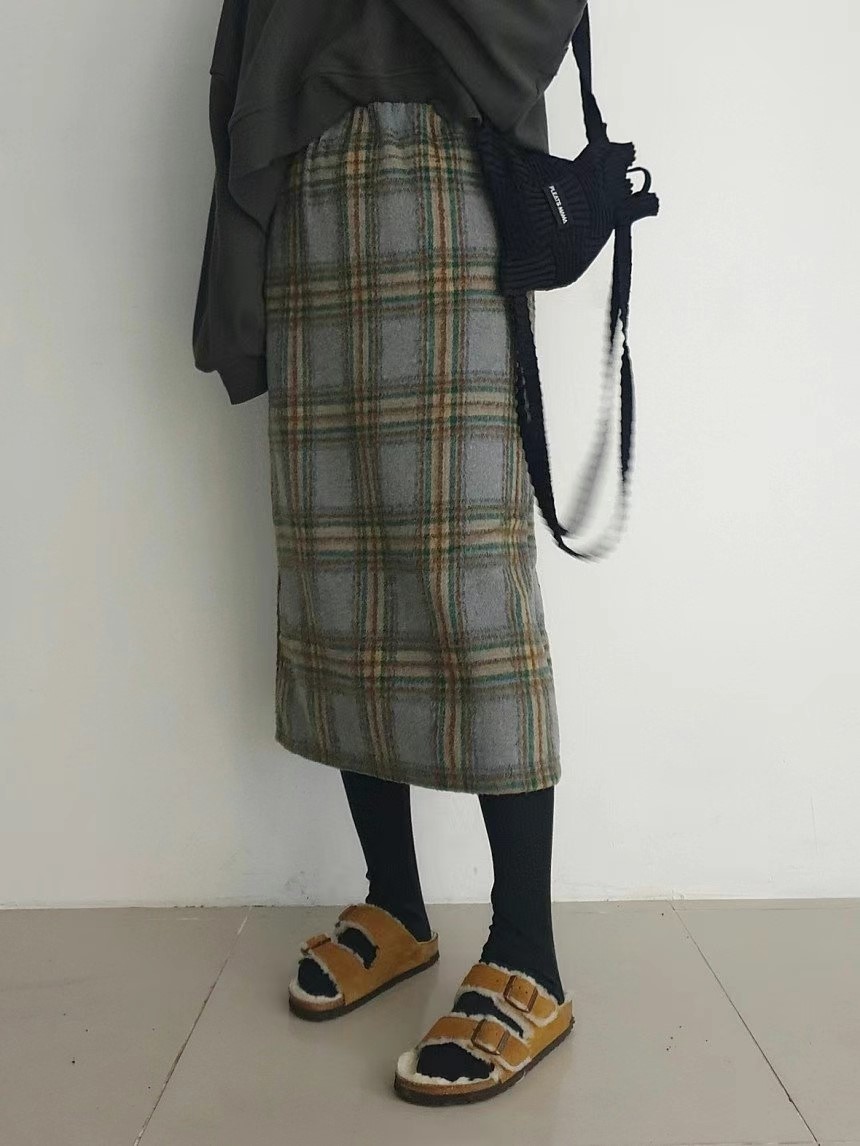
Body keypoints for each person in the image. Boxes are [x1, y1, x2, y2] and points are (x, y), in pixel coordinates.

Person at [193, 1, 587, 1106]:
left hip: (447, 186)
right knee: (337, 570)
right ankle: (397, 904)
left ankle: (528, 951)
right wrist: (238, 283)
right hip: (308, 207)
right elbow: (245, 73)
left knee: (470, 581)